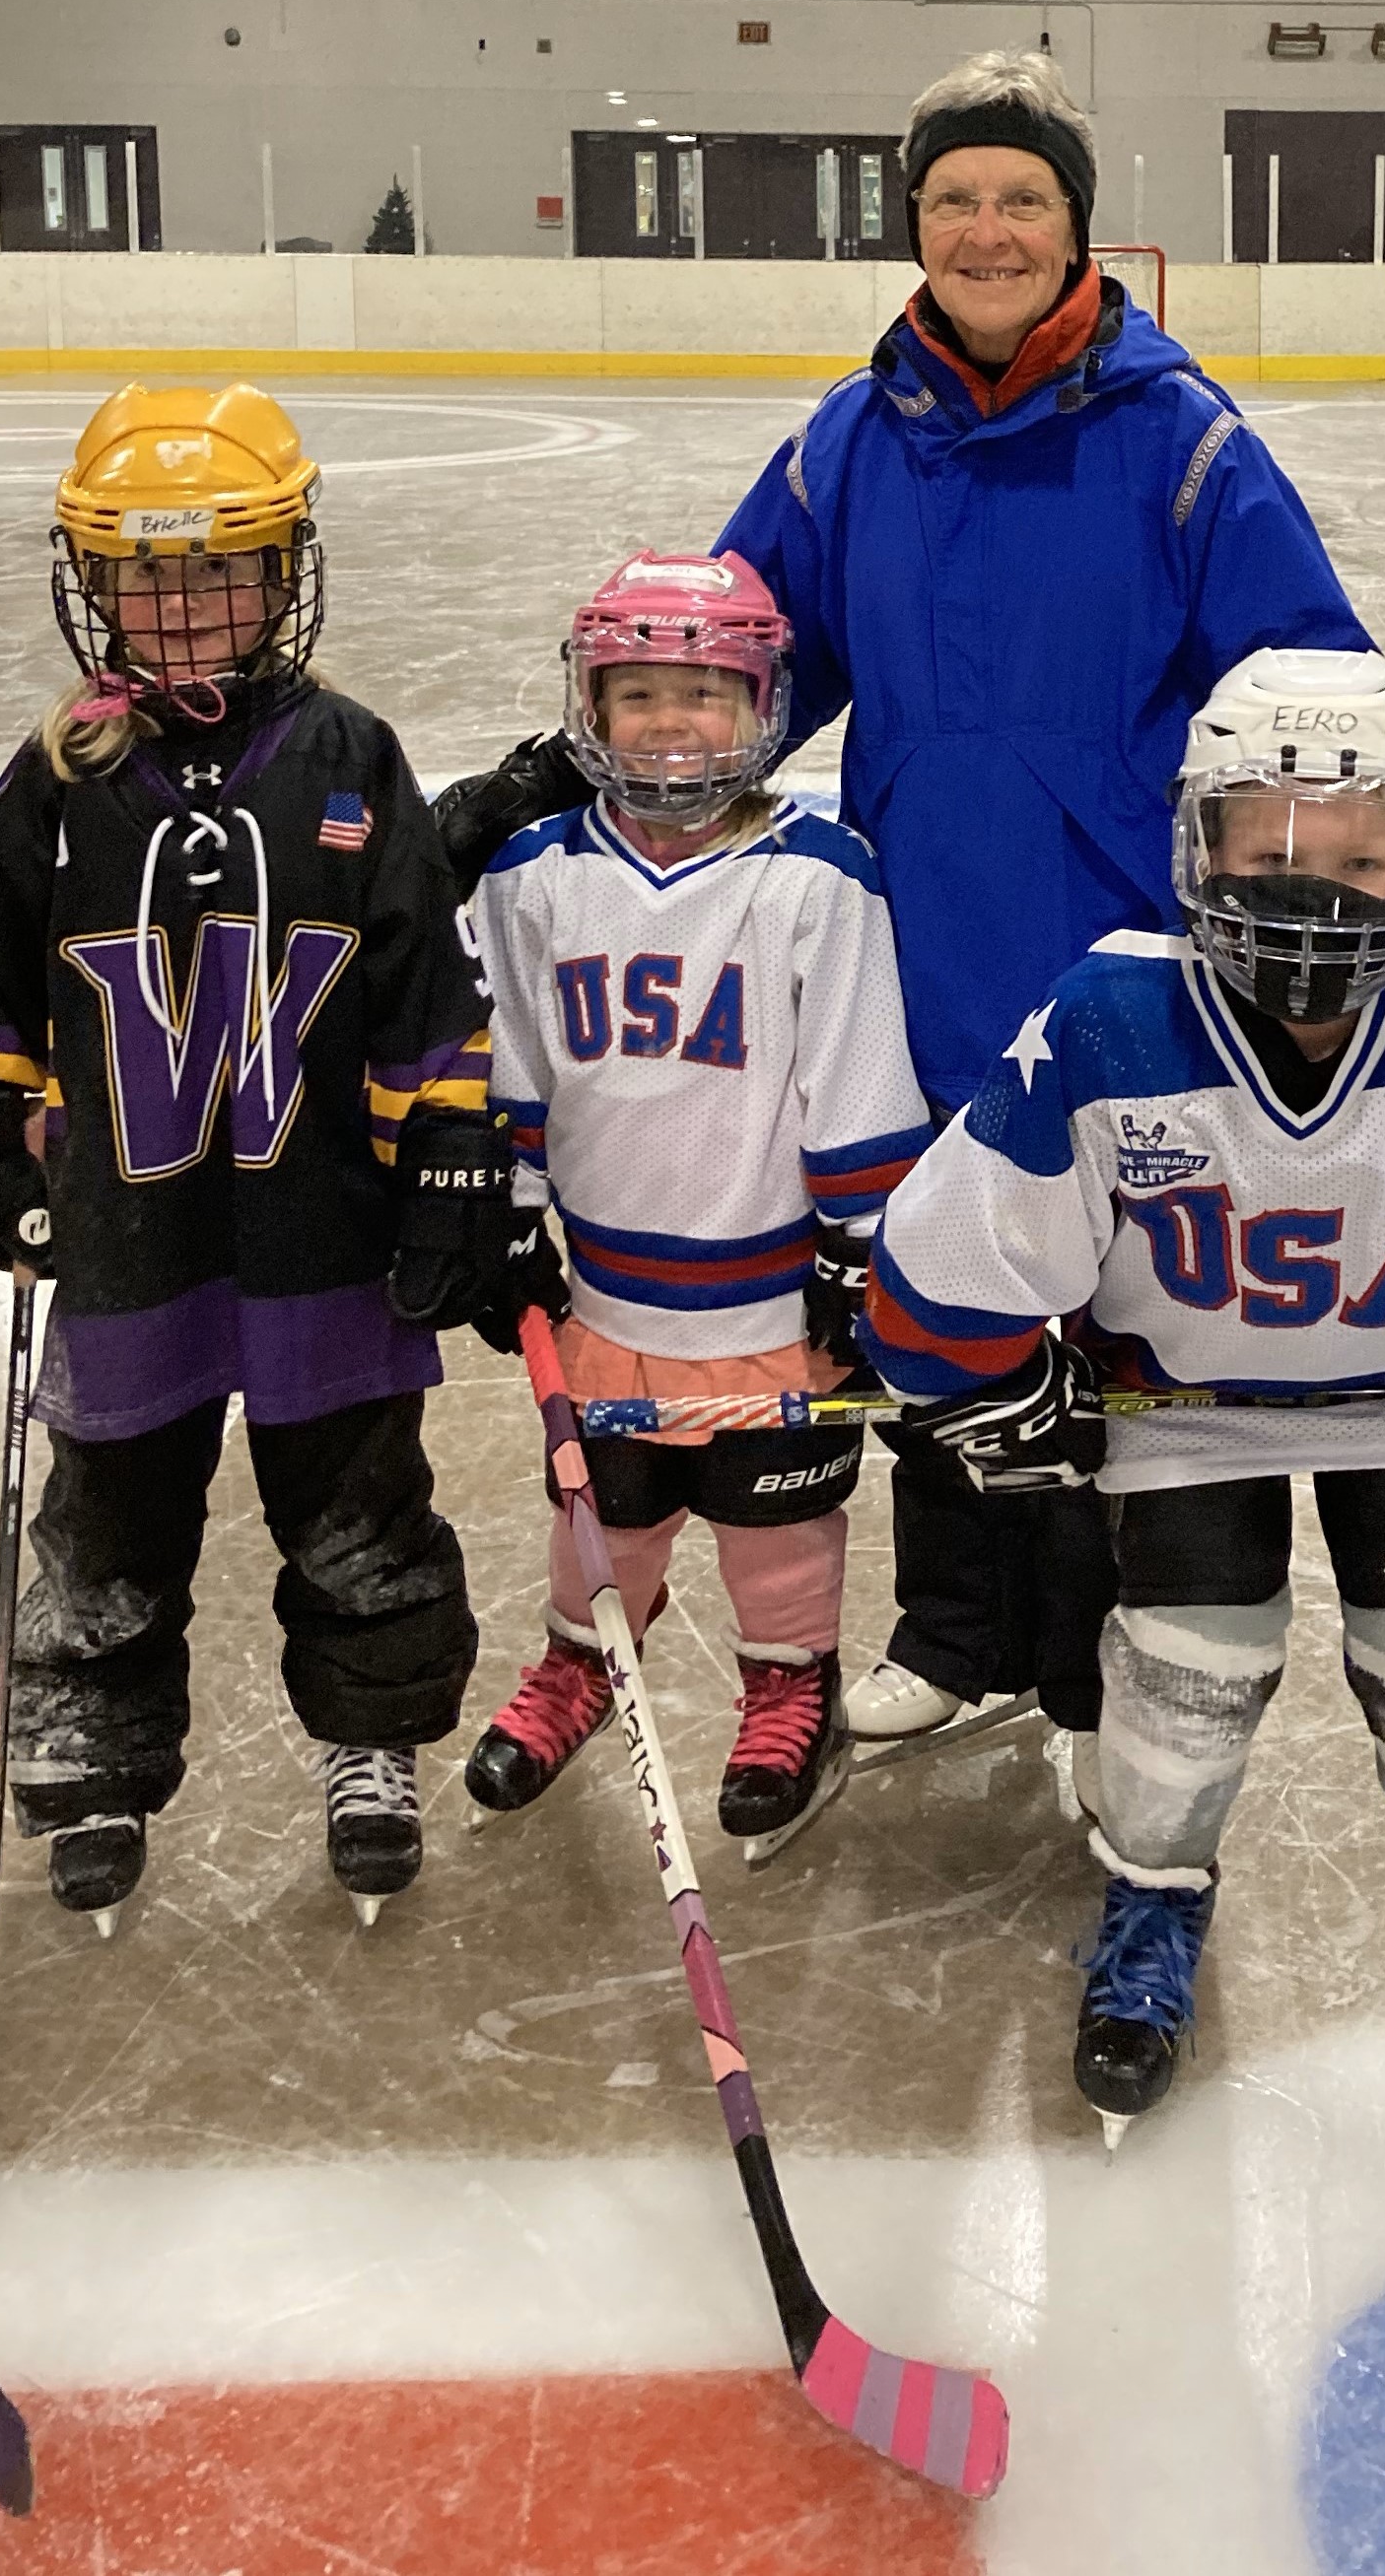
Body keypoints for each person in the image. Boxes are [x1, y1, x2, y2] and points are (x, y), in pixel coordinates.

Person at [433, 52, 1385, 1781]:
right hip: (916, 950)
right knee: (931, 1295)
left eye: (1021, 199)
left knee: (1100, 1327)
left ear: (1078, 227)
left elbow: (1305, 671)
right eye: (953, 201)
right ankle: (950, 1635)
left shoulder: (1181, 440)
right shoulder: (854, 444)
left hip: (1124, 965)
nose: (987, 229)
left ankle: (1087, 1678)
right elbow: (728, 660)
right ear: (912, 226)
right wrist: (541, 780)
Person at [861, 651, 1385, 2161]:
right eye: (1263, 851)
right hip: (1186, 1413)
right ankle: (1152, 1898)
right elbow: (956, 1256)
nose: (1308, 892)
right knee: (1190, 1670)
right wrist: (988, 1385)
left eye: (1358, 859)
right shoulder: (1107, 1027)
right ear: (1197, 846)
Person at [0, 381, 527, 1933]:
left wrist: (449, 1154)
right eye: (148, 574)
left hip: (327, 1231)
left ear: (284, 570)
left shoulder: (351, 759)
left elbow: (423, 992)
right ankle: (95, 1749)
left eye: (222, 569)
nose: (183, 607)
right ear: (92, 580)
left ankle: (369, 1743)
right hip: (131, 1240)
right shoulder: (59, 782)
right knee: (108, 1508)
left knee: (358, 1504)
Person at [457, 553, 932, 1856]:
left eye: (707, 693)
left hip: (771, 1294)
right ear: (589, 706)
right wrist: (503, 1214)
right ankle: (582, 1661)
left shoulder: (816, 878)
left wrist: (858, 1249)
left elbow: (855, 1074)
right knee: (603, 1498)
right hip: (606, 1291)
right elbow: (512, 1071)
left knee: (774, 1505)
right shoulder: (534, 876)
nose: (673, 721)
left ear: (766, 706)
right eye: (641, 691)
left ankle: (791, 1682)